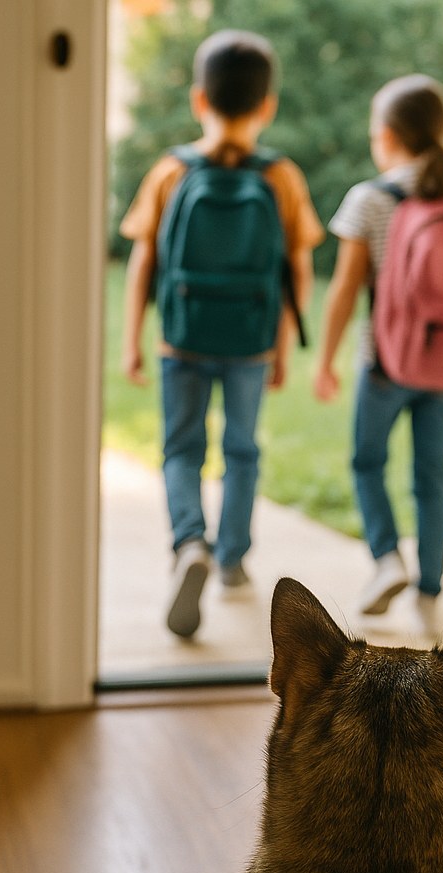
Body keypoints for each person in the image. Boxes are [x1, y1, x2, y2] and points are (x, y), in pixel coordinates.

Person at [119, 30, 323, 639]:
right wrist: (283, 347)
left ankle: (189, 543)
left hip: (181, 338)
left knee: (181, 448)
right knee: (242, 450)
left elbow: (143, 262)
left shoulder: (171, 171)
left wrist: (133, 338)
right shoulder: (282, 177)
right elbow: (299, 269)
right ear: (268, 106)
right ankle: (232, 559)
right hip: (250, 341)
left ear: (197, 99)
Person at [314, 74, 443, 635]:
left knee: (368, 462)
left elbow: (344, 290)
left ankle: (387, 559)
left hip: (386, 362)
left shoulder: (369, 199)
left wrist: (325, 360)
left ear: (385, 136)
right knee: (431, 475)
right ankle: (430, 591)